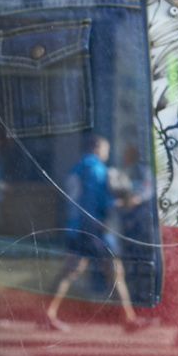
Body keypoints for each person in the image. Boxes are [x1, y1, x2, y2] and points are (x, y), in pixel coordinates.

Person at [42, 133, 138, 329]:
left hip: (76, 227)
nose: (106, 154)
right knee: (113, 270)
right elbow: (96, 202)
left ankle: (46, 315)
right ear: (96, 148)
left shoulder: (77, 167)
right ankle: (129, 320)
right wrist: (123, 202)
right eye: (105, 150)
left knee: (72, 271)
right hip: (91, 229)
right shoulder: (96, 168)